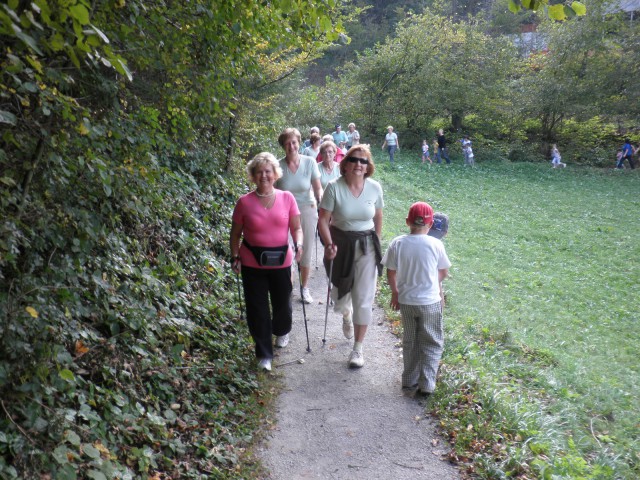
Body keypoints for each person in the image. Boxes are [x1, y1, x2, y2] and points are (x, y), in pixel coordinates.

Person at [229, 153, 303, 372]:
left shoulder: (287, 198)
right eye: (259, 171)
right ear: (253, 176)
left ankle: (281, 330)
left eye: (268, 171)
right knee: (257, 309)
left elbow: (297, 228)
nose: (264, 175)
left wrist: (299, 244)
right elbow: (235, 235)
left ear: (275, 174)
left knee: (282, 306)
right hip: (252, 263)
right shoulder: (244, 202)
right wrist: (235, 256)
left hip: (281, 261)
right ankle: (264, 354)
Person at [318, 144, 384, 368]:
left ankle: (358, 349)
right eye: (354, 160)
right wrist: (328, 244)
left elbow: (378, 217)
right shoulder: (333, 188)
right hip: (339, 244)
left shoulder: (375, 188)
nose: (359, 164)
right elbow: (322, 220)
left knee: (364, 298)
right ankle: (346, 315)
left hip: (366, 245)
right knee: (340, 296)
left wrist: (377, 240)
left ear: (368, 167)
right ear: (345, 164)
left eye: (363, 161)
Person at [381, 202, 451, 397]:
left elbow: (391, 272)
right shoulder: (436, 244)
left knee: (410, 340)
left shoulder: (398, 243)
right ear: (430, 225)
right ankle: (427, 384)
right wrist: (432, 282)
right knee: (431, 341)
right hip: (430, 302)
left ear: (407, 221)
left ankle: (409, 380)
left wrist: (395, 293)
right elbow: (443, 271)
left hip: (407, 302)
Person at [275, 128, 323, 305]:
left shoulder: (310, 162)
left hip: (307, 209)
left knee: (306, 249)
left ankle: (304, 288)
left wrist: (323, 202)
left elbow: (318, 188)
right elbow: (270, 190)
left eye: (294, 142)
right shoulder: (278, 166)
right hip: (283, 212)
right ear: (283, 146)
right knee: (285, 249)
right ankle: (287, 287)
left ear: (299, 143)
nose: (291, 146)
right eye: (287, 143)